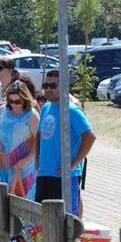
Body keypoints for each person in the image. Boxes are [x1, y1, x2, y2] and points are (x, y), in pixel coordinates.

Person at [35, 70, 96, 216]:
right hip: (44, 173)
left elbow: (90, 136)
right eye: (46, 85)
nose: (48, 89)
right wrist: (37, 159)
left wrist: (73, 164)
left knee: (66, 219)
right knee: (42, 219)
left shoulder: (72, 110)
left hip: (65, 176)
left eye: (53, 85)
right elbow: (39, 134)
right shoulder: (46, 108)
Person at [0, 77, 40, 199]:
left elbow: (39, 144)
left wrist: (26, 160)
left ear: (25, 99)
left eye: (18, 101)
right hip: (0, 166)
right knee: (0, 202)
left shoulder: (32, 115)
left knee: (22, 205)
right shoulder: (2, 110)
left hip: (22, 168)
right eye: (11, 101)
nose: (14, 104)